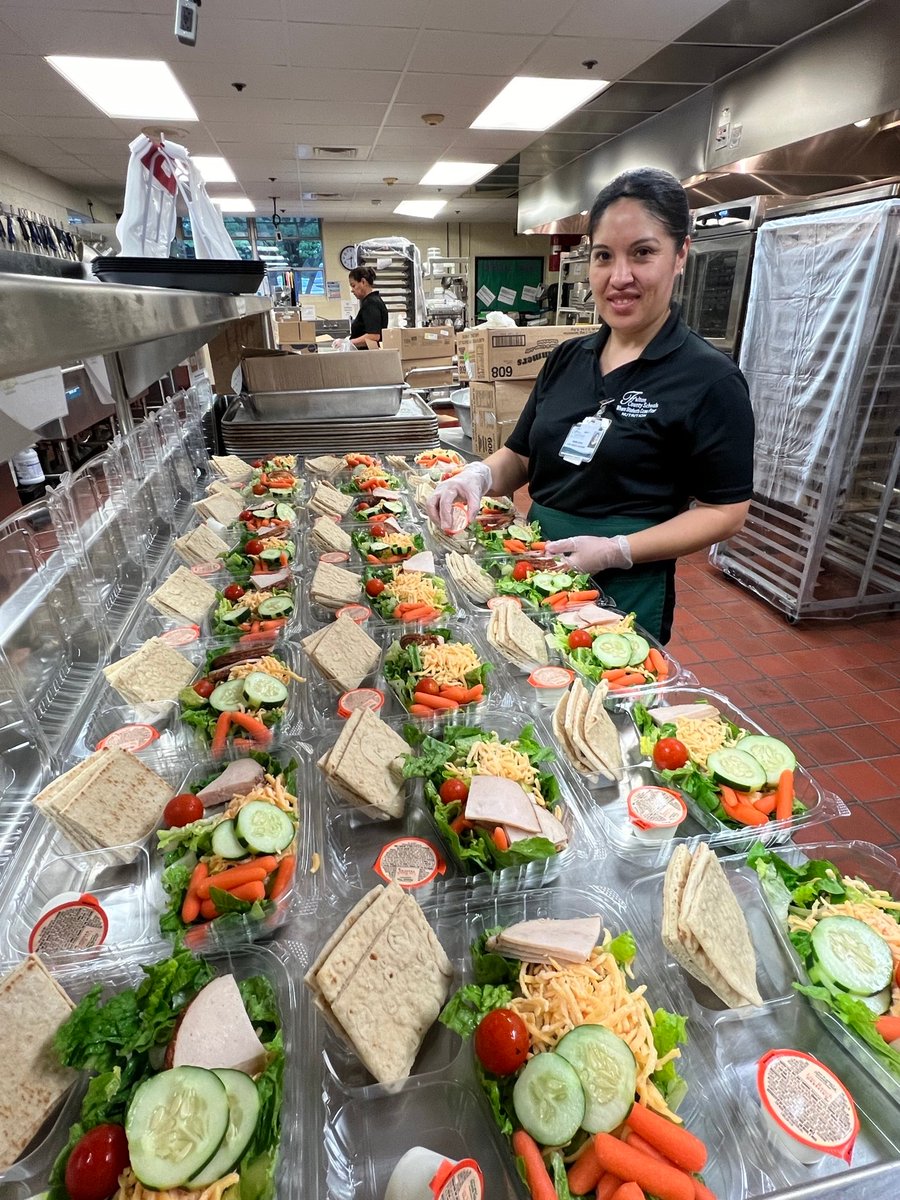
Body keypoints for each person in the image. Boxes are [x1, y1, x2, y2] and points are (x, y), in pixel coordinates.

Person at [428, 167, 754, 643]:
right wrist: (474, 476)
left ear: (680, 254)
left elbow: (726, 511)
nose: (620, 277)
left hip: (628, 585)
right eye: (604, 256)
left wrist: (615, 549)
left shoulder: (710, 379)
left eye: (643, 253)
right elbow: (520, 456)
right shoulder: (567, 358)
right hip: (536, 562)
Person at [346, 266, 389, 348]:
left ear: (363, 282)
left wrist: (348, 343)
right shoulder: (373, 301)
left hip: (368, 356)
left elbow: (374, 336)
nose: (352, 290)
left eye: (353, 285)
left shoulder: (371, 303)